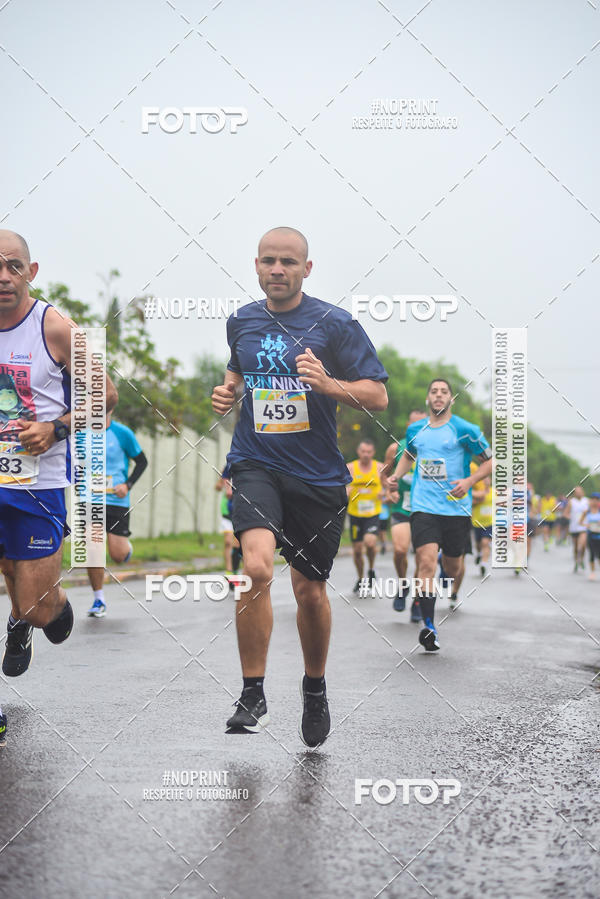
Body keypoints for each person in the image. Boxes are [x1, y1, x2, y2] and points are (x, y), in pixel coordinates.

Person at [211, 226, 388, 747]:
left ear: (306, 269)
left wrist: (329, 384)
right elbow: (236, 375)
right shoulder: (241, 321)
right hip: (253, 464)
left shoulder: (335, 324)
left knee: (309, 591)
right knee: (256, 567)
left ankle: (314, 687)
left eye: (288, 262)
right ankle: (252, 691)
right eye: (268, 261)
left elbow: (377, 395)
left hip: (316, 476)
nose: (277, 270)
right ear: (257, 265)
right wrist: (228, 393)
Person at [0, 230, 118, 743]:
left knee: (36, 605)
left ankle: (33, 615)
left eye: (13, 266)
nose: (3, 276)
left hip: (35, 485)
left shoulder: (55, 326)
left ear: (32, 271)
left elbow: (106, 394)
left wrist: (58, 428)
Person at [389, 379, 492, 651]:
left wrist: (469, 482)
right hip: (423, 507)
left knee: (453, 566)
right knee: (425, 563)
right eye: (433, 391)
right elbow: (409, 455)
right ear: (427, 399)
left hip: (456, 509)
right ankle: (429, 626)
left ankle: (444, 580)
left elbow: (491, 461)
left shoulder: (464, 430)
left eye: (443, 392)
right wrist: (395, 477)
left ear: (451, 399)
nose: (438, 395)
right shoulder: (415, 429)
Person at [86, 411, 147, 617]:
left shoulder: (122, 433)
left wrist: (127, 485)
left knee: (118, 555)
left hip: (116, 501)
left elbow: (142, 462)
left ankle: (125, 548)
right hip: (90, 499)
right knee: (93, 547)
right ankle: (98, 599)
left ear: (112, 407)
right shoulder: (79, 432)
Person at [383, 409, 426, 618]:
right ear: (408, 426)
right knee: (400, 550)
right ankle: (402, 585)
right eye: (413, 425)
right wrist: (388, 490)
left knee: (422, 557)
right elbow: (384, 474)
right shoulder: (396, 447)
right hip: (401, 507)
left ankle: (418, 600)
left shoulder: (434, 449)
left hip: (425, 509)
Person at [346, 439, 387, 593]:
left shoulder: (380, 467)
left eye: (369, 452)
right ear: (359, 452)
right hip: (355, 513)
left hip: (373, 512)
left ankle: (371, 569)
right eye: (363, 451)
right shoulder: (350, 467)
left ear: (373, 453)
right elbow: (344, 486)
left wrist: (384, 492)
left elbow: (387, 486)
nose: (366, 455)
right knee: (357, 550)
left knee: (370, 543)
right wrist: (346, 491)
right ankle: (361, 578)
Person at [215, 465, 242, 587]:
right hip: (227, 511)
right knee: (227, 542)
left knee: (236, 544)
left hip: (239, 511)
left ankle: (234, 572)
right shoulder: (228, 470)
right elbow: (217, 487)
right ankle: (229, 572)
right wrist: (222, 484)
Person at [471, 477, 493, 578]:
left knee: (485, 542)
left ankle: (484, 563)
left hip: (489, 523)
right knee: (478, 544)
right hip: (477, 522)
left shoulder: (495, 492)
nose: (486, 482)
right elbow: (471, 503)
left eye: (487, 480)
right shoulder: (477, 492)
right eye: (483, 480)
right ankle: (479, 554)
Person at [565, 486, 590, 573]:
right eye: (577, 492)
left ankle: (581, 559)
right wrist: (571, 518)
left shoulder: (587, 501)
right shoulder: (571, 502)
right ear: (575, 493)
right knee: (576, 547)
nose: (578, 493)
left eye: (580, 491)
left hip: (583, 527)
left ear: (583, 492)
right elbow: (566, 513)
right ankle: (576, 561)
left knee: (582, 545)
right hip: (574, 527)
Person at [581, 493, 600, 581]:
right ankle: (592, 572)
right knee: (592, 554)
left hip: (599, 536)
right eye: (593, 499)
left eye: (597, 499)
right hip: (591, 535)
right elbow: (580, 522)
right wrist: (587, 525)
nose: (595, 501)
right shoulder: (587, 511)